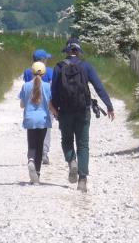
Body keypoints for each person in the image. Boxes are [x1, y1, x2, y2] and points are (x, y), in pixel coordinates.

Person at [51, 37, 115, 193]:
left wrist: (55, 109)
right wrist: (109, 106)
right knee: (83, 144)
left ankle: (71, 161)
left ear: (66, 51)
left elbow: (54, 92)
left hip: (65, 111)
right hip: (83, 110)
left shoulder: (59, 67)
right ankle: (82, 180)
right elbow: (99, 87)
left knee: (66, 140)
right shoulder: (86, 66)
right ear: (79, 51)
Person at [19, 61, 56, 185]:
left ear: (32, 71)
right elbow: (50, 105)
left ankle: (30, 160)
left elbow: (22, 105)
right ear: (44, 72)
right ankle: (37, 175)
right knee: (40, 146)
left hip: (30, 119)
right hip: (43, 119)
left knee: (32, 143)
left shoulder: (25, 86)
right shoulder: (47, 86)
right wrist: (56, 113)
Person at [23, 49, 54, 164]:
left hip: (31, 106)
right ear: (42, 60)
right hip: (45, 106)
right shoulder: (50, 71)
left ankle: (32, 155)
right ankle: (44, 153)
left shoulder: (27, 71)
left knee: (31, 132)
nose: (47, 61)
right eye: (46, 59)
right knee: (46, 131)